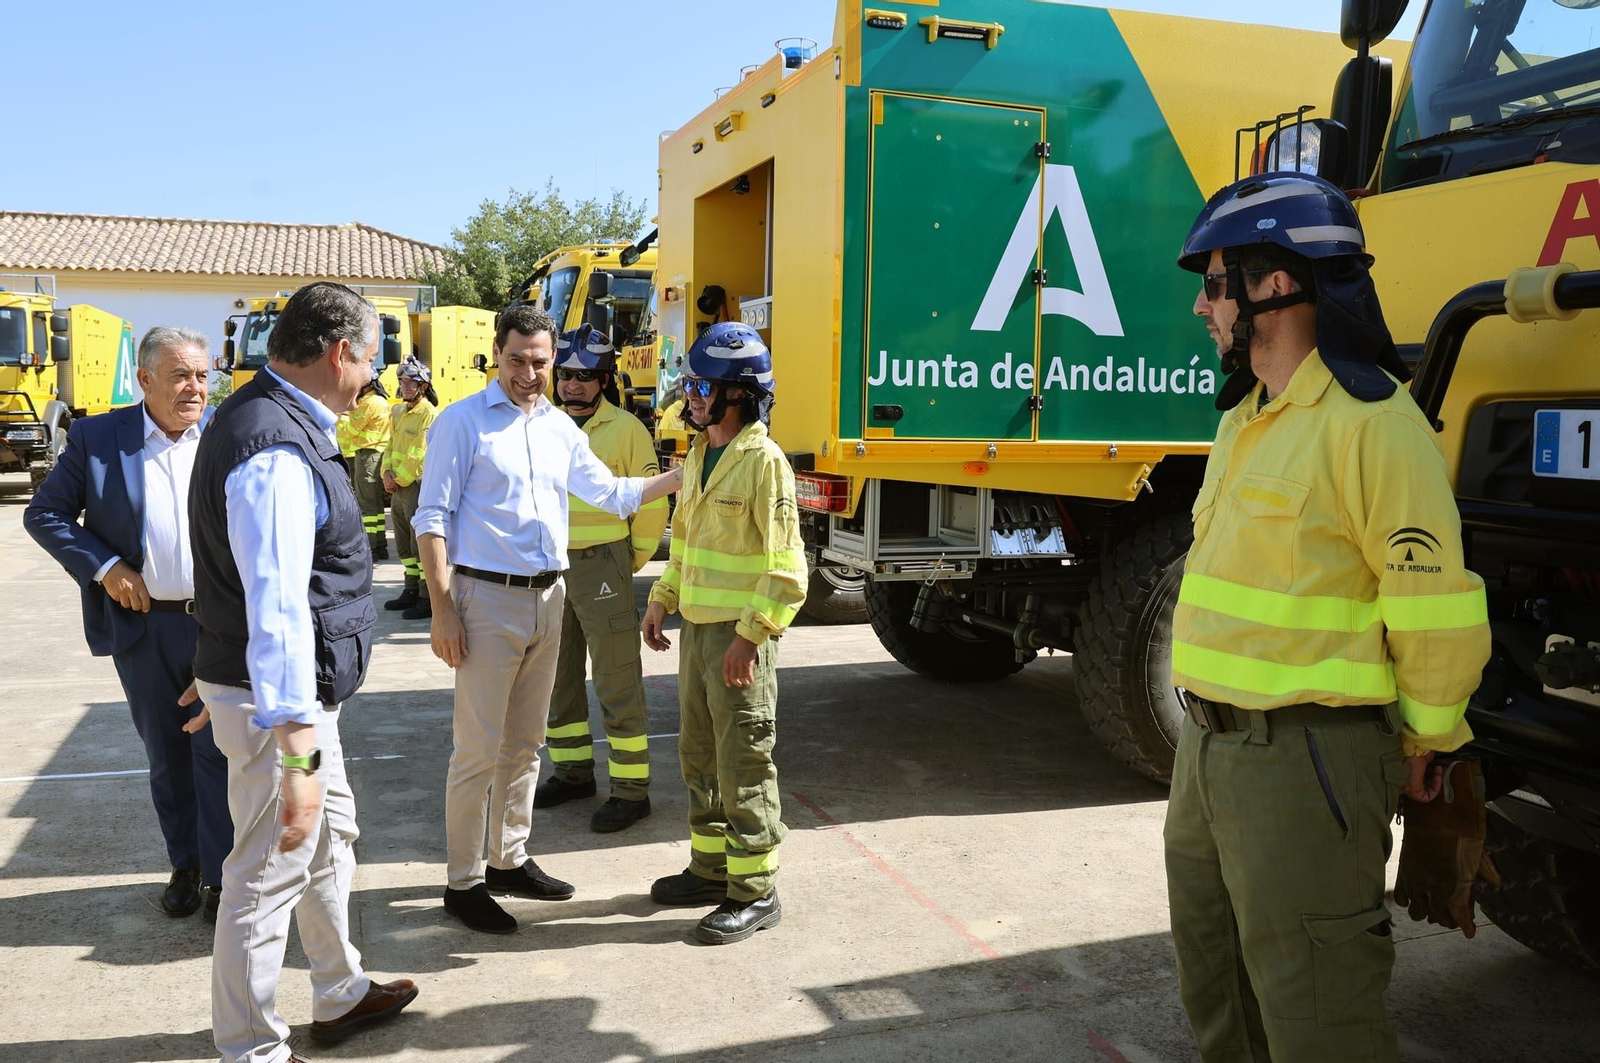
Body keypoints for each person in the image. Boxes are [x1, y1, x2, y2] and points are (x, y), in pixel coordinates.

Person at [1164, 173, 1491, 1062]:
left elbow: (1433, 607)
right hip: (1205, 753)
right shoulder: (1245, 419)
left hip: (1305, 765)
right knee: (1217, 989)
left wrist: (1429, 745)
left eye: (1216, 282)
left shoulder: (1375, 425)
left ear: (1277, 282)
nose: (1203, 307)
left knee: (1318, 1018)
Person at [187, 282, 418, 1063]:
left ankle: (339, 990)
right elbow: (276, 600)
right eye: (371, 360)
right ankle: (250, 1046)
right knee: (271, 861)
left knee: (328, 838)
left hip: (295, 696)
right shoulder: (276, 447)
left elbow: (236, 576)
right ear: (339, 351)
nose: (374, 380)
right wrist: (293, 747)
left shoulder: (269, 420)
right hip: (283, 708)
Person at [413, 304, 683, 934]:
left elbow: (612, 494)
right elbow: (431, 519)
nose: (528, 374)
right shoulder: (462, 423)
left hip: (547, 598)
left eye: (540, 362)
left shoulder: (561, 428)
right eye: (516, 360)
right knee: (476, 752)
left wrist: (680, 475)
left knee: (526, 745)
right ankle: (463, 882)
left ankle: (508, 860)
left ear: (553, 359)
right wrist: (443, 608)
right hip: (484, 602)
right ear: (496, 356)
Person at [24, 326, 232, 922]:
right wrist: (106, 567)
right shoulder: (97, 438)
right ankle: (186, 866)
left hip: (218, 626)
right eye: (179, 376)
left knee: (220, 748)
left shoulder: (226, 432)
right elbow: (47, 515)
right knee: (168, 754)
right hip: (145, 630)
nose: (195, 389)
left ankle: (222, 876)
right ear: (144, 380)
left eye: (201, 375)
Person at [642, 321, 806, 945]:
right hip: (697, 635)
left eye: (704, 384)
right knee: (700, 757)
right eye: (690, 382)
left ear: (739, 393)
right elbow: (684, 541)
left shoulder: (764, 463)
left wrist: (751, 636)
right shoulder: (698, 454)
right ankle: (713, 871)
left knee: (743, 763)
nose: (692, 394)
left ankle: (756, 891)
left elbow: (787, 567)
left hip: (740, 644)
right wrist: (662, 598)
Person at [536, 324, 669, 833]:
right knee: (557, 675)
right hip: (546, 566)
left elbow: (652, 498)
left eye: (587, 376)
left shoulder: (627, 429)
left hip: (603, 564)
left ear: (605, 379)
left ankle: (631, 791)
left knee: (615, 679)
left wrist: (631, 558)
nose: (574, 384)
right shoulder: (539, 425)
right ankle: (571, 773)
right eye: (567, 374)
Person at [382, 356, 439, 620]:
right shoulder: (399, 412)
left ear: (423, 386)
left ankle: (427, 599)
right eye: (402, 381)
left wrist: (398, 479)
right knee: (404, 545)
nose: (405, 386)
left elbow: (419, 454)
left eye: (411, 382)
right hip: (398, 487)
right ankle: (410, 590)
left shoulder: (428, 413)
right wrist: (385, 473)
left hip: (414, 486)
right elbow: (391, 445)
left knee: (420, 546)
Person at [336, 367, 391, 559]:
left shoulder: (369, 403)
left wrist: (342, 416)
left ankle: (371, 547)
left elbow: (351, 430)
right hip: (375, 454)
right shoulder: (379, 400)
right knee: (375, 505)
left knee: (366, 505)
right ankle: (380, 545)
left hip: (368, 455)